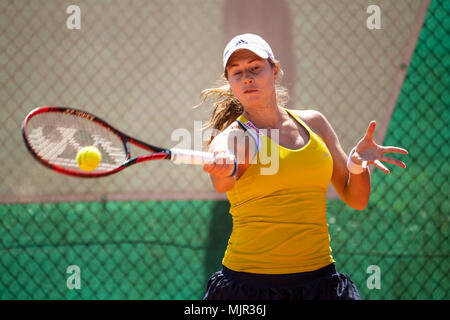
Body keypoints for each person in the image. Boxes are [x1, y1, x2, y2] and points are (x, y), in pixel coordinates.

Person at [198, 33, 408, 300]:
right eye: (236, 72)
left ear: (275, 70)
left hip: (321, 283)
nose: (247, 77)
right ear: (230, 82)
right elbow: (222, 182)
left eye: (255, 67)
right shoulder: (233, 136)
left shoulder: (315, 123)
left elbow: (356, 198)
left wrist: (356, 164)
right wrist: (224, 162)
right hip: (249, 289)